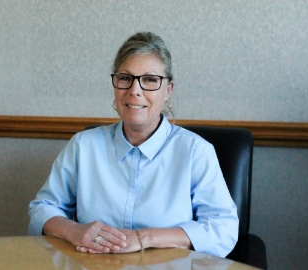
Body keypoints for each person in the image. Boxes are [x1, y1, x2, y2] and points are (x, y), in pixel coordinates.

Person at [28, 32, 238, 257]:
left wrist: (143, 238)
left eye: (149, 80)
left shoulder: (195, 151)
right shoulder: (84, 145)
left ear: (168, 90)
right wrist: (74, 230)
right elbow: (42, 209)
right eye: (125, 78)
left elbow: (223, 228)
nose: (134, 90)